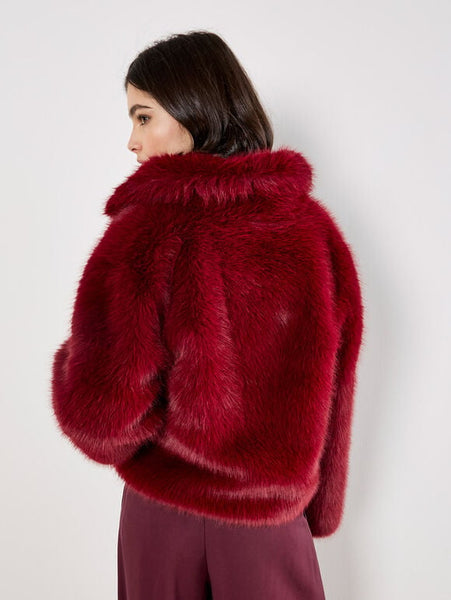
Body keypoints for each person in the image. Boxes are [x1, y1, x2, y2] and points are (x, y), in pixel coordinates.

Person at [50, 29, 364, 600]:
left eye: (144, 117)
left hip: (164, 515)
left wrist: (72, 364)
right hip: (272, 525)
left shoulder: (145, 232)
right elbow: (336, 387)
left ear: (193, 110)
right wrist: (318, 507)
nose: (132, 140)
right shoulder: (315, 233)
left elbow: (103, 421)